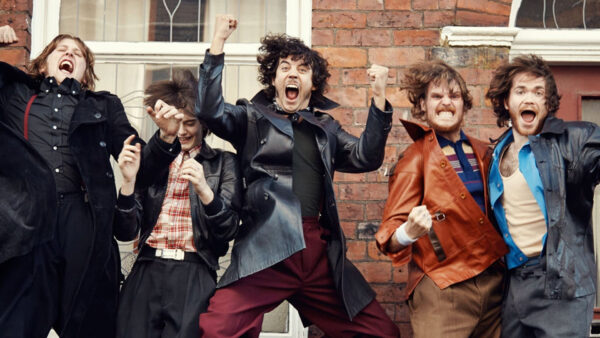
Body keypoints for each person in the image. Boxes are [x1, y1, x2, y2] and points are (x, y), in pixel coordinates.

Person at [194, 14, 401, 337]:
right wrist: (218, 44)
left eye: (302, 69)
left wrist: (378, 98)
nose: (293, 74)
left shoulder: (326, 128)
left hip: (315, 249)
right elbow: (209, 111)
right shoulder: (251, 117)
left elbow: (365, 157)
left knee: (380, 332)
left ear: (312, 83)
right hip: (267, 244)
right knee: (220, 327)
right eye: (285, 68)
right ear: (274, 79)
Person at [0, 28, 177, 337]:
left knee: (89, 322)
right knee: (17, 322)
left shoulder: (102, 106)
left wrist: (165, 137)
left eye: (78, 54)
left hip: (82, 220)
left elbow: (140, 162)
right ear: (43, 64)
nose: (69, 54)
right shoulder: (14, 95)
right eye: (61, 50)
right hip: (29, 221)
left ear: (85, 74)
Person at [375, 60, 507, 337]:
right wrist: (408, 232)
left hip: (494, 284)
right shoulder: (414, 158)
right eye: (436, 96)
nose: (446, 102)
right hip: (443, 287)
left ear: (464, 104)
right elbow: (389, 237)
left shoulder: (485, 152)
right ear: (422, 105)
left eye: (454, 96)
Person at [112, 69, 242, 338]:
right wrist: (127, 182)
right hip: (146, 269)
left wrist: (205, 190)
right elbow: (125, 232)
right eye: (176, 122)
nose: (182, 131)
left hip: (194, 271)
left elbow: (228, 230)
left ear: (204, 124)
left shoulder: (224, 162)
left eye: (191, 123)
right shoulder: (152, 160)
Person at [485, 54, 600, 337]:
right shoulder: (495, 153)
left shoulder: (573, 141)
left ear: (547, 104)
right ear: (505, 102)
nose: (530, 99)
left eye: (539, 93)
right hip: (515, 283)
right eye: (521, 91)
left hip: (560, 283)